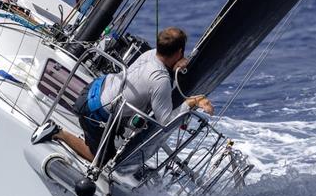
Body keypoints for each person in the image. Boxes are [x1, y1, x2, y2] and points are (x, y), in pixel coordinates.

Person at [31, 27, 214, 162]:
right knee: (103, 161)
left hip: (95, 88)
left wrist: (176, 65)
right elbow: (165, 122)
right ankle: (57, 132)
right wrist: (192, 101)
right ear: (180, 52)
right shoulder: (160, 80)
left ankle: (91, 137)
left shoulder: (151, 54)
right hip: (91, 110)